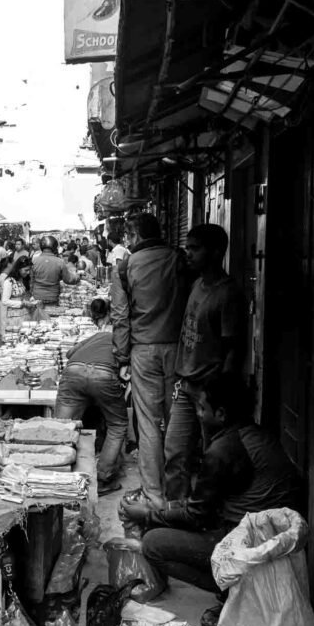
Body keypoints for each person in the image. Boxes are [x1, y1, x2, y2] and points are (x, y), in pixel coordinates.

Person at [124, 374, 301, 626]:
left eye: (202, 408)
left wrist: (148, 515)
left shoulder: (224, 449)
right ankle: (235, 590)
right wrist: (163, 509)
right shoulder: (254, 434)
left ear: (220, 414)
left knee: (153, 543)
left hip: (250, 545)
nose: (198, 414)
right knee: (169, 521)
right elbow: (205, 503)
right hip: (269, 537)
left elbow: (198, 515)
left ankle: (233, 595)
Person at [111, 213, 192, 509]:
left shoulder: (125, 267)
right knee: (177, 423)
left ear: (134, 236)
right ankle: (177, 496)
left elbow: (120, 317)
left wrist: (122, 357)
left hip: (143, 350)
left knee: (148, 426)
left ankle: (153, 495)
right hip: (178, 349)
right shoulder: (179, 259)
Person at [168, 224, 247, 500]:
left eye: (195, 249)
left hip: (209, 390)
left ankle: (206, 514)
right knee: (175, 452)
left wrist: (219, 395)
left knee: (212, 458)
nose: (188, 254)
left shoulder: (228, 294)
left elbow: (233, 348)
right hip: (186, 384)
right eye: (187, 248)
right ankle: (174, 510)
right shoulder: (196, 285)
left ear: (215, 252)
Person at [54, 299, 125, 495]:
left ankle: (59, 476)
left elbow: (70, 353)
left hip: (74, 372)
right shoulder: (121, 339)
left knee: (62, 426)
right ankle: (101, 480)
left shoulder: (96, 335)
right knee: (117, 425)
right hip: (104, 374)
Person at [30, 235, 81, 314]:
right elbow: (68, 280)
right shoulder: (59, 262)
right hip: (52, 297)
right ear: (54, 247)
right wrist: (77, 276)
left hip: (37, 297)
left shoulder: (34, 261)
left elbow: (31, 281)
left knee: (38, 318)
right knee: (51, 318)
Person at [0, 256, 38, 335]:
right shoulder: (9, 282)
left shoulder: (21, 280)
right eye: (26, 270)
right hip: (14, 318)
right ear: (19, 269)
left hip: (25, 315)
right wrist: (22, 303)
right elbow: (5, 301)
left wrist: (32, 300)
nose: (28, 272)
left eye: (29, 270)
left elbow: (24, 295)